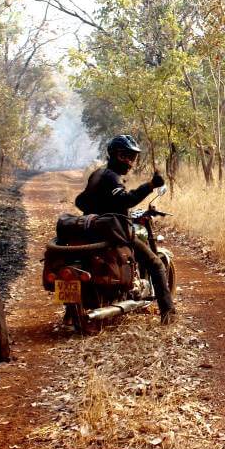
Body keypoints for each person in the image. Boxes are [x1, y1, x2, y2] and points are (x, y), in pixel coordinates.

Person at [74, 134, 175, 319]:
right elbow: (125, 201)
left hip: (91, 232)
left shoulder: (97, 174)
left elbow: (80, 201)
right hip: (112, 234)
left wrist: (97, 211)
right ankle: (168, 314)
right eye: (126, 156)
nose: (130, 162)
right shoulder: (112, 177)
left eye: (132, 158)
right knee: (157, 265)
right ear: (116, 155)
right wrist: (151, 185)